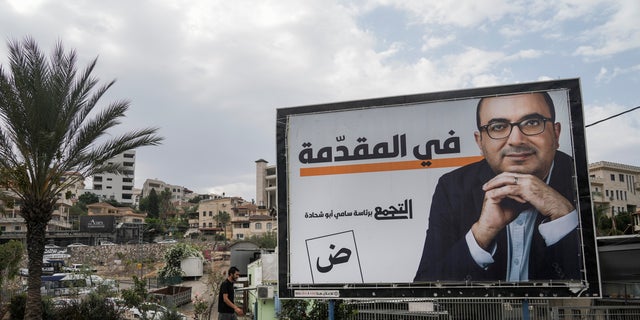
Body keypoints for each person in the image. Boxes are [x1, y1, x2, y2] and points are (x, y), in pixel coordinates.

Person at [414, 91, 582, 282]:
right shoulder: (453, 187)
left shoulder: (579, 179)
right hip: (485, 313)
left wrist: (564, 218)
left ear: (556, 133)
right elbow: (426, 284)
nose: (516, 140)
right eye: (498, 127)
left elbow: (587, 288)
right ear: (480, 142)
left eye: (532, 122)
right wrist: (482, 234)